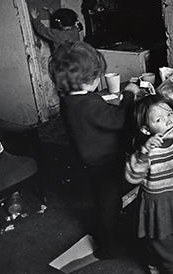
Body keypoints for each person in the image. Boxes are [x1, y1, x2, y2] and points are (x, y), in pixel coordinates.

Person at [48, 41, 140, 258]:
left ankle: (105, 230)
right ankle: (108, 248)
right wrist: (129, 95)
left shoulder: (69, 99)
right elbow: (118, 120)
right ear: (89, 79)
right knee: (109, 202)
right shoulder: (89, 104)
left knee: (102, 198)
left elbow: (94, 113)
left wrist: (102, 100)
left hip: (87, 157)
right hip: (104, 160)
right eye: (97, 75)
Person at [125, 94, 173, 274]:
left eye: (170, 114)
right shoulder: (147, 152)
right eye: (159, 119)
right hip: (158, 207)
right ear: (145, 129)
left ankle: (154, 267)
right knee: (171, 251)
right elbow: (133, 177)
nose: (168, 121)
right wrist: (143, 152)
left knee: (158, 241)